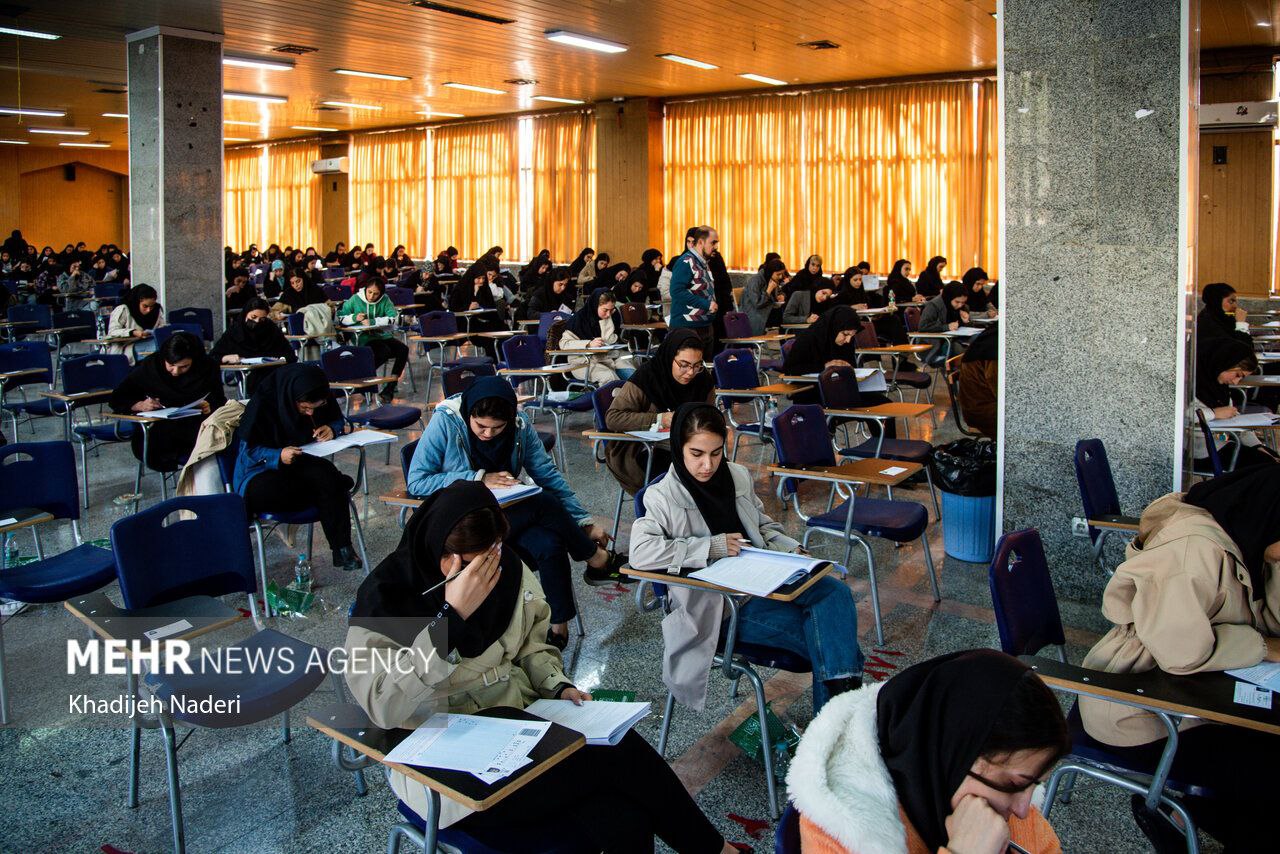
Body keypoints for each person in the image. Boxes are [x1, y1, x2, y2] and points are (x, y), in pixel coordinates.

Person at [343, 481, 738, 852]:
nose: (478, 574)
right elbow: (383, 705)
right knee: (616, 755)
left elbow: (533, 647)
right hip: (445, 770)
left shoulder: (506, 568)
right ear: (436, 547)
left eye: (489, 556)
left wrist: (556, 686)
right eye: (465, 561)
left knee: (626, 819)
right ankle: (715, 850)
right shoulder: (386, 597)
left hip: (517, 730)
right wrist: (449, 620)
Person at [1080, 466, 1280, 853]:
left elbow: (1270, 619)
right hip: (1137, 704)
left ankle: (1182, 818)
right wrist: (1265, 647)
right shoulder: (1193, 552)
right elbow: (1181, 653)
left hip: (1193, 691)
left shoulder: (1250, 536)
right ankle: (1176, 815)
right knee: (1268, 768)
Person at [631, 403, 864, 711]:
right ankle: (837, 726)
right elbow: (639, 553)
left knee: (836, 592)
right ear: (678, 447)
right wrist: (710, 547)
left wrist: (791, 548)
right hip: (719, 609)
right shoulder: (662, 495)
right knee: (833, 644)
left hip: (763, 582)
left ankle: (833, 728)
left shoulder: (737, 476)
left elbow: (763, 526)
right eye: (696, 454)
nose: (708, 465)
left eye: (715, 453)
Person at [406, 377, 628, 645]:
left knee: (549, 541)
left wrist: (583, 520)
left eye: (497, 428)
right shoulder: (447, 421)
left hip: (503, 518)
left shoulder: (520, 426)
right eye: (480, 426)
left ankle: (559, 628)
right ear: (469, 414)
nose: (488, 434)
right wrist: (477, 477)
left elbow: (547, 474)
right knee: (543, 502)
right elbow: (417, 481)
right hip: (463, 528)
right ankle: (595, 558)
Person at [789, 649, 1069, 854]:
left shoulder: (996, 792)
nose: (1024, 810)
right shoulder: (841, 827)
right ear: (952, 755)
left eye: (1036, 784)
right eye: (1015, 784)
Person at [232, 364, 361, 573]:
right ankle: (334, 486)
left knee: (326, 475)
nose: (310, 413)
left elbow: (338, 419)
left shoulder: (317, 395)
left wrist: (331, 428)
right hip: (260, 471)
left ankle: (342, 549)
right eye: (305, 408)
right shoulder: (264, 402)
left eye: (315, 408)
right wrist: (278, 455)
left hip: (298, 461)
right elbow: (249, 451)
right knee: (328, 484)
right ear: (291, 398)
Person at [605, 329, 715, 495]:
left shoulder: (703, 379)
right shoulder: (647, 377)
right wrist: (659, 419)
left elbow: (710, 415)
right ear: (669, 357)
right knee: (684, 482)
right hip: (642, 449)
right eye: (684, 365)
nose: (691, 372)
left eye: (697, 365)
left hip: (688, 446)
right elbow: (613, 418)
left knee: (719, 474)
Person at [109, 331, 226, 472]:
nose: (175, 371)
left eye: (184, 366)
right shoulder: (151, 366)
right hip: (161, 432)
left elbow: (219, 399)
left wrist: (210, 405)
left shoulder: (208, 366)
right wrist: (139, 404)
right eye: (170, 365)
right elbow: (118, 397)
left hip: (197, 425)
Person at [782, 306, 896, 419]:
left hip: (841, 390)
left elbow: (850, 366)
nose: (848, 340)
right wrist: (824, 367)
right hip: (814, 394)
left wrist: (849, 369)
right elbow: (790, 369)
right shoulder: (808, 339)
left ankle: (882, 438)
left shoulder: (846, 342)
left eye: (852, 335)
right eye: (846, 334)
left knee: (885, 407)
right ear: (834, 327)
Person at [1190, 337, 1277, 469]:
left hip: (1223, 443)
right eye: (1237, 375)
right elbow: (1179, 416)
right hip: (1198, 451)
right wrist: (1214, 413)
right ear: (1224, 363)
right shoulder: (1191, 383)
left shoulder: (1219, 389)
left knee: (1272, 458)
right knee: (1267, 467)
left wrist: (1257, 446)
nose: (1236, 383)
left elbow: (1236, 422)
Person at [337, 279, 409, 403]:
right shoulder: (355, 299)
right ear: (365, 289)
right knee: (384, 351)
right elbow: (341, 317)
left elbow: (393, 318)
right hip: (364, 338)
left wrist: (374, 321)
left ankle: (390, 387)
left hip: (382, 335)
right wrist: (355, 317)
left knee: (403, 349)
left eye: (376, 294)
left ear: (381, 293)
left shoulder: (385, 299)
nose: (371, 296)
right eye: (369, 292)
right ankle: (362, 377)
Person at [209, 297, 296, 394]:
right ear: (246, 314)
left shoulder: (270, 329)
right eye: (253, 317)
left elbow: (290, 354)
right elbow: (212, 357)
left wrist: (280, 359)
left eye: (262, 319)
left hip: (274, 373)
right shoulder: (235, 332)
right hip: (250, 377)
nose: (257, 322)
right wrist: (225, 358)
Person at [560, 290, 633, 384]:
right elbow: (564, 343)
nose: (608, 314)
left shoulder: (612, 316)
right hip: (584, 361)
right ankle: (616, 398)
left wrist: (608, 321)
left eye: (611, 310)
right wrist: (588, 344)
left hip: (609, 357)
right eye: (605, 310)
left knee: (634, 375)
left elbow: (612, 339)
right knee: (609, 378)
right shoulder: (578, 320)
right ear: (595, 305)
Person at [670, 226, 719, 352]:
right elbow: (676, 292)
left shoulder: (703, 262)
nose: (716, 247)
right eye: (713, 243)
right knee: (689, 371)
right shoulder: (686, 262)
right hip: (687, 328)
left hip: (705, 326)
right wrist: (706, 304)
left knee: (705, 369)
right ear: (701, 242)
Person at [957, 323, 998, 439]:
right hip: (981, 411)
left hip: (987, 404)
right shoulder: (995, 347)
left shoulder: (993, 336)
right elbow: (1000, 390)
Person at [107, 283, 165, 360]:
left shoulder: (156, 310)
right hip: (126, 348)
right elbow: (112, 332)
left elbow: (162, 327)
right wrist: (133, 332)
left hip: (148, 342)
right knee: (161, 347)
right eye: (145, 306)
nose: (148, 310)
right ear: (137, 301)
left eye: (151, 306)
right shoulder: (123, 309)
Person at [919, 281, 971, 365]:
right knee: (960, 351)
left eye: (963, 302)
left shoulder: (962, 307)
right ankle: (957, 377)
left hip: (954, 339)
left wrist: (965, 321)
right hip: (936, 344)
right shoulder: (933, 305)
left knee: (978, 342)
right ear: (949, 297)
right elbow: (923, 326)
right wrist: (946, 327)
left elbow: (959, 326)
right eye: (957, 302)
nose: (960, 305)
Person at [1196, 281, 1253, 346]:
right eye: (1231, 301)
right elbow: (1241, 349)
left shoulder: (1223, 319)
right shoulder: (1208, 323)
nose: (1235, 306)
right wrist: (1241, 324)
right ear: (1217, 301)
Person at [741, 257, 788, 334]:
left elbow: (780, 292)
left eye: (782, 274)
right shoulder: (755, 281)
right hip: (755, 314)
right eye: (778, 274)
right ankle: (783, 342)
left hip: (767, 311)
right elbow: (757, 304)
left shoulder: (771, 279)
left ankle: (784, 342)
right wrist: (768, 290)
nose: (780, 277)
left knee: (785, 313)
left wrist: (782, 296)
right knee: (782, 317)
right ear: (770, 272)